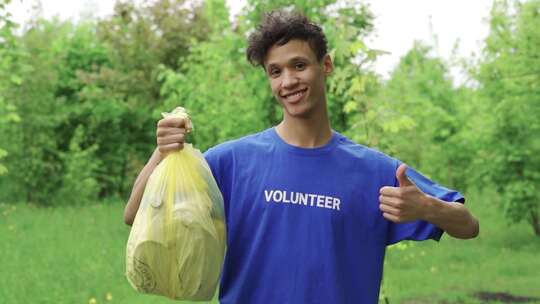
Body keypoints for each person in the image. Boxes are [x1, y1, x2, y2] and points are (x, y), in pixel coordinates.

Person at [124, 9, 479, 304]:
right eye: (275, 71)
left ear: (325, 65)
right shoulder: (232, 162)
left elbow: (469, 225)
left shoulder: (375, 171)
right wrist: (162, 153)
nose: (288, 81)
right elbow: (134, 215)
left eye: (298, 65)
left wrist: (429, 208)